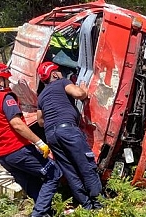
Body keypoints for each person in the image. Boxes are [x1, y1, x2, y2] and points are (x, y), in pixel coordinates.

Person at [0, 62, 62, 217]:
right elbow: (17, 124)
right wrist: (39, 142)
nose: (9, 83)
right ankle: (39, 214)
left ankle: (46, 213)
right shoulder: (5, 98)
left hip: (3, 157)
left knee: (31, 184)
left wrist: (0, 147)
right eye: (6, 79)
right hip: (19, 150)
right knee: (54, 173)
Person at [36, 61, 103, 210]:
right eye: (58, 71)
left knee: (70, 171)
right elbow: (79, 94)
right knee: (86, 166)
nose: (60, 73)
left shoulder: (41, 97)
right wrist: (84, 90)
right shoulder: (62, 82)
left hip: (51, 135)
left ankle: (86, 206)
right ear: (54, 74)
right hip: (68, 130)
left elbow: (40, 121)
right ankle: (99, 205)